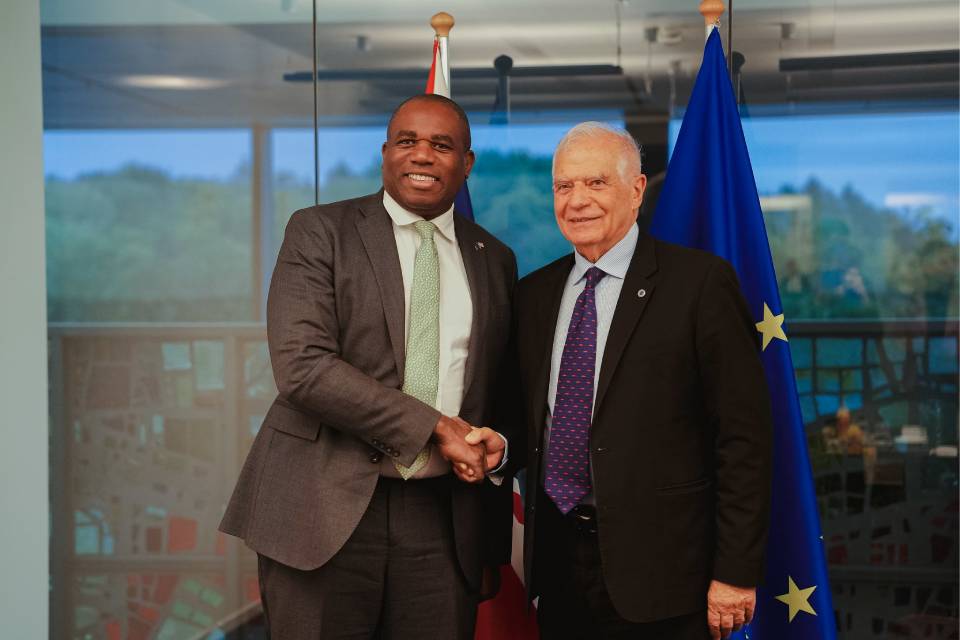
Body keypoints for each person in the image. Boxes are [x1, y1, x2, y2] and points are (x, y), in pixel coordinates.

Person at [220, 94, 516, 639]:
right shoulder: (319, 231)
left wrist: (493, 449)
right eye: (407, 142)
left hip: (443, 520)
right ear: (385, 154)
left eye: (441, 145)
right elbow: (303, 368)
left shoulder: (493, 257)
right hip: (322, 509)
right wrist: (434, 427)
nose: (422, 156)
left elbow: (497, 389)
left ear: (466, 163)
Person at [469, 122, 772, 639]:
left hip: (667, 573)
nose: (577, 200)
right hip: (560, 563)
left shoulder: (698, 284)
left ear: (635, 191)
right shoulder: (535, 295)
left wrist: (735, 573)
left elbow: (744, 439)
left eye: (595, 183)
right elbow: (531, 420)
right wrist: (498, 447)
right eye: (564, 186)